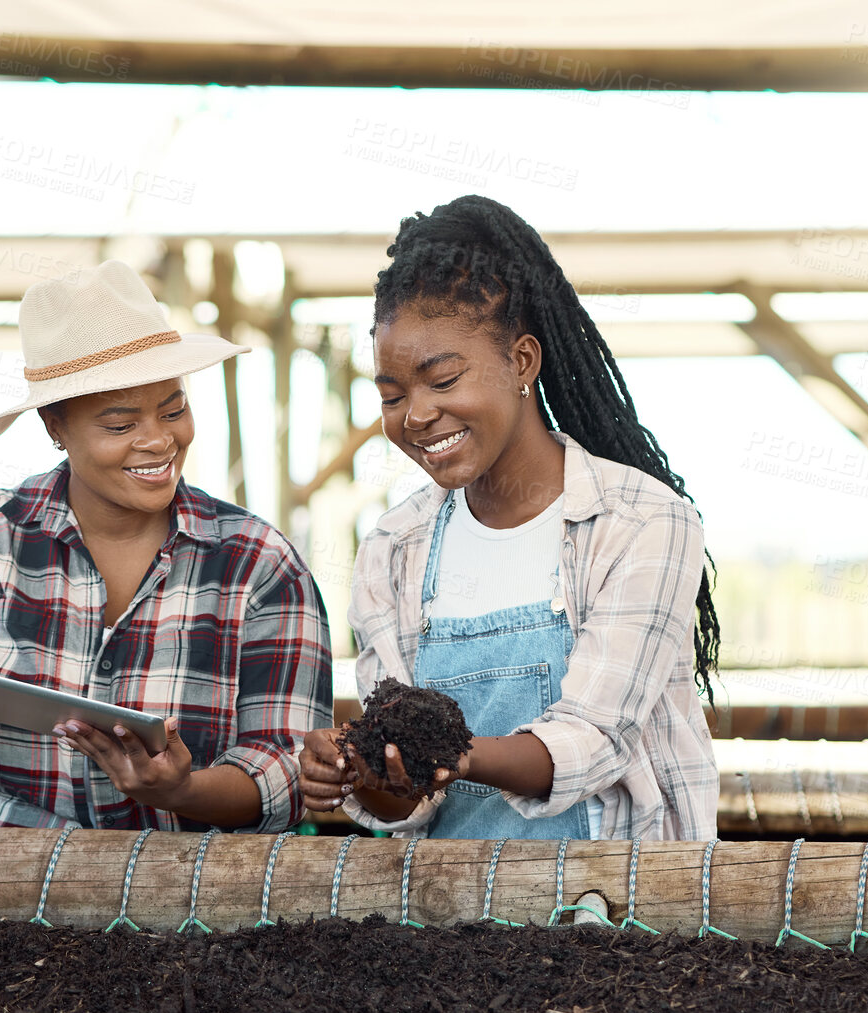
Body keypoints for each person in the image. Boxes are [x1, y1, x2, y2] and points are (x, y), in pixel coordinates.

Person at [299, 195, 718, 842]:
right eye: (390, 394)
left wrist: (447, 751)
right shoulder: (392, 549)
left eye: (441, 380)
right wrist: (362, 772)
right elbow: (402, 807)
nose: (414, 414)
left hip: (621, 918)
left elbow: (594, 739)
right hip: (449, 921)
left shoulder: (641, 523)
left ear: (521, 362)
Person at [0, 260, 332, 830]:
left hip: (184, 899)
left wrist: (182, 791)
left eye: (174, 409)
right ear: (54, 427)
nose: (159, 440)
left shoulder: (259, 564)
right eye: (119, 425)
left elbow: (287, 774)